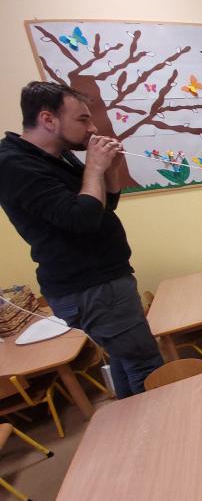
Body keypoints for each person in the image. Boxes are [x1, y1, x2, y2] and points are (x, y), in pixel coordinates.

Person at [0, 82, 163, 398]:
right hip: (91, 287)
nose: (92, 129)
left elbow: (103, 206)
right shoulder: (14, 164)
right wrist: (94, 166)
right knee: (146, 365)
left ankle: (138, 422)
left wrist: (110, 170)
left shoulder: (59, 155)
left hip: (104, 281)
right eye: (83, 119)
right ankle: (166, 426)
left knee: (126, 360)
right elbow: (82, 219)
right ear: (48, 119)